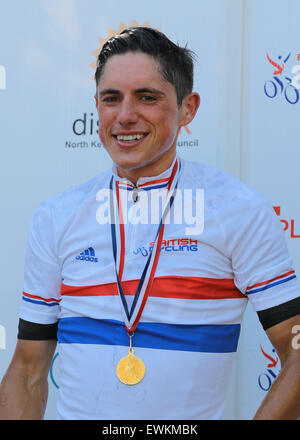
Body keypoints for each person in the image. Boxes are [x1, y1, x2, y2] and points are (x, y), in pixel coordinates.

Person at [0, 26, 300, 421]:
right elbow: (27, 370)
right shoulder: (57, 215)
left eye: (147, 97)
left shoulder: (238, 210)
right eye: (111, 99)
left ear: (188, 108)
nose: (125, 116)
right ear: (96, 106)